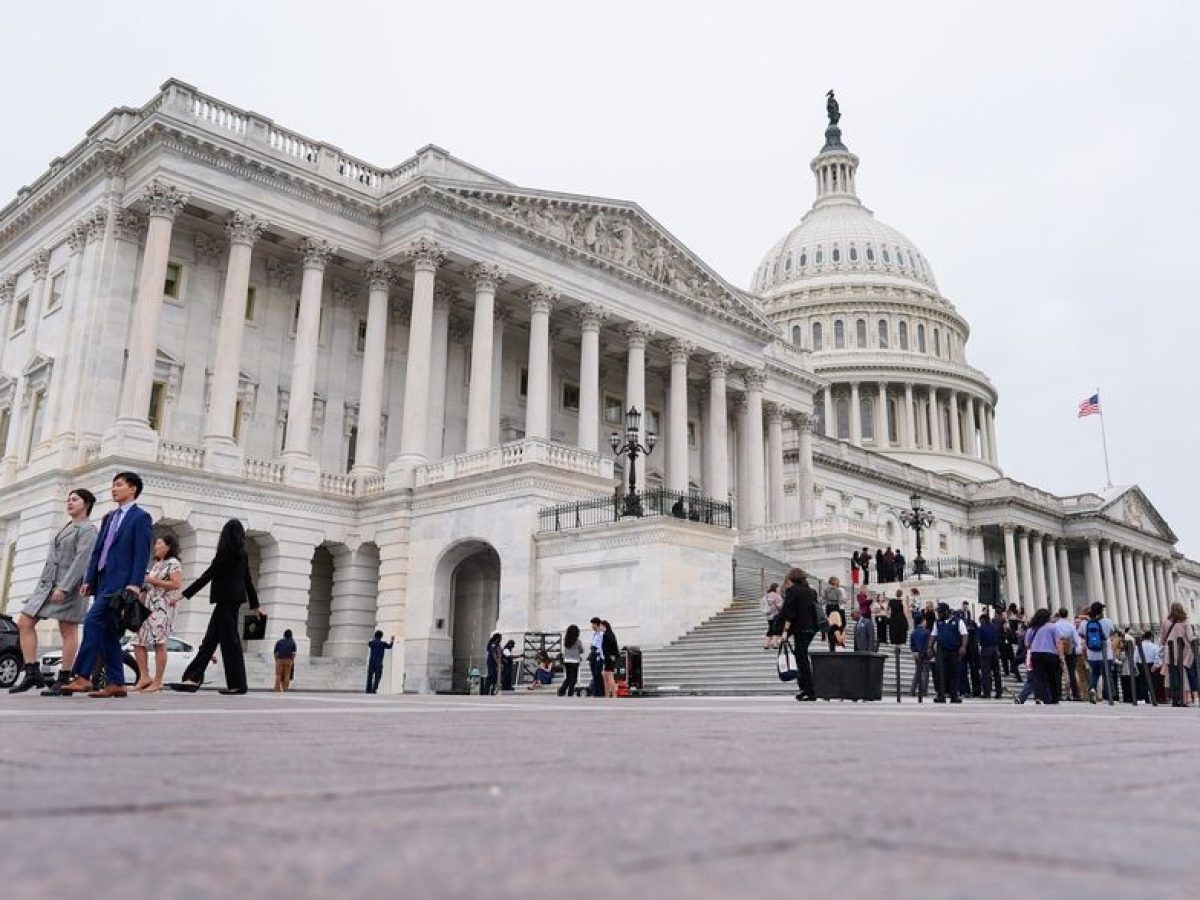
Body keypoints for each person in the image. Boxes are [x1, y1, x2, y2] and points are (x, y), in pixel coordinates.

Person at [61, 472, 154, 698]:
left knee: (92, 621)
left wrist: (135, 584)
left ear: (132, 489)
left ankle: (82, 676)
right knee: (109, 633)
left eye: (119, 485)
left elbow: (142, 553)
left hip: (121, 584)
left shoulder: (141, 517)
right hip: (102, 581)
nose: (114, 489)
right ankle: (116, 682)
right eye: (113, 485)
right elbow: (98, 551)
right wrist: (89, 578)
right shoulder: (109, 517)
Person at [9, 488, 98, 695]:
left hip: (70, 588)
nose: (69, 502)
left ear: (86, 504)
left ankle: (64, 678)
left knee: (67, 630)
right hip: (47, 586)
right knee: (24, 622)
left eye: (74, 500)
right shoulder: (67, 526)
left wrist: (64, 588)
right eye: (68, 499)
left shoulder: (88, 529)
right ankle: (31, 672)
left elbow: (82, 560)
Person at [169, 518, 262, 695]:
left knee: (230, 643)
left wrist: (183, 595)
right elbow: (248, 582)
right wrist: (255, 605)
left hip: (225, 601)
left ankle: (238, 685)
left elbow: (207, 576)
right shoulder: (242, 554)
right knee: (210, 641)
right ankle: (192, 678)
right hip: (232, 601)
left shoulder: (225, 553)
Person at [131, 533, 184, 693]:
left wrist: (152, 581)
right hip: (147, 605)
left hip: (162, 606)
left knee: (159, 642)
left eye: (159, 544)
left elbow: (176, 584)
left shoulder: (173, 563)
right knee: (138, 640)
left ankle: (158, 680)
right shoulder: (156, 565)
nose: (156, 547)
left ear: (168, 546)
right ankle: (144, 677)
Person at [779, 567, 821, 702]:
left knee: (801, 657)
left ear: (791, 579)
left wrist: (784, 631)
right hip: (812, 628)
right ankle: (806, 689)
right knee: (800, 655)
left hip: (801, 628)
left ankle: (809, 690)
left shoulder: (793, 591)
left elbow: (789, 613)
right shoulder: (811, 591)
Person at [1157, 602, 1198, 706]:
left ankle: (1175, 699)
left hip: (1169, 652)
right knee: (1182, 676)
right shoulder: (1185, 622)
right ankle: (1183, 700)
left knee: (1173, 676)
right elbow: (1190, 637)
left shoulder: (1166, 622)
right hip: (1182, 651)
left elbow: (1162, 639)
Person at [1078, 601, 1115, 703]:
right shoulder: (1107, 621)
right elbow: (1112, 632)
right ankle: (1108, 696)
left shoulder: (1085, 623)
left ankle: (1092, 689)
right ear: (1101, 611)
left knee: (1095, 674)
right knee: (1107, 674)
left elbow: (1081, 635)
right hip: (1106, 653)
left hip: (1092, 654)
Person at [932, 602, 967, 704]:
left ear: (946, 612)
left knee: (954, 673)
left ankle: (954, 695)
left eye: (941, 612)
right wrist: (930, 647)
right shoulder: (937, 623)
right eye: (938, 612)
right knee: (940, 673)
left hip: (954, 651)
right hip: (941, 650)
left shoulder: (957, 621)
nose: (939, 614)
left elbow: (964, 634)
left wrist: (963, 647)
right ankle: (941, 695)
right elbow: (933, 635)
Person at [1027, 608, 1061, 704]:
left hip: (1035, 654)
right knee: (1052, 677)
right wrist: (1061, 655)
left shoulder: (1032, 628)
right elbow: (1058, 642)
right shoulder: (1052, 627)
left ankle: (1039, 697)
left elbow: (1027, 643)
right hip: (1050, 654)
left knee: (1039, 677)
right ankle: (1054, 698)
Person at [1052, 608, 1080, 701]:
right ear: (1067, 615)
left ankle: (1058, 694)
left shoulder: (1055, 625)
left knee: (1058, 673)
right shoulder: (1070, 626)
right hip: (1069, 651)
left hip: (1058, 651)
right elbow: (1076, 639)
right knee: (1072, 673)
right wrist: (1077, 648)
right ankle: (1075, 694)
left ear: (1059, 615)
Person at [977, 612, 1003, 698]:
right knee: (996, 672)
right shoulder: (995, 627)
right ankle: (998, 692)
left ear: (983, 620)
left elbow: (979, 640)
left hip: (986, 649)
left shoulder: (981, 628)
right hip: (995, 649)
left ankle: (987, 692)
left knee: (985, 672)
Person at [909, 613, 933, 698]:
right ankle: (924, 691)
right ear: (923, 621)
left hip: (917, 654)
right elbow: (927, 644)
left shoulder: (913, 633)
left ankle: (912, 690)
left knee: (917, 672)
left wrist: (914, 652)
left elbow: (912, 645)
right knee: (925, 673)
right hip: (924, 654)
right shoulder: (926, 632)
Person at [558, 624, 585, 697]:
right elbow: (582, 650)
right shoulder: (577, 641)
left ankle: (562, 690)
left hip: (567, 660)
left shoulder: (566, 640)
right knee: (574, 678)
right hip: (575, 661)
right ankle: (570, 692)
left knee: (568, 677)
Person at [761, 582, 783, 649]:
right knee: (776, 630)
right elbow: (780, 606)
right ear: (776, 588)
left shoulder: (766, 596)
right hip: (776, 615)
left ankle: (766, 644)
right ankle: (774, 644)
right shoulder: (777, 596)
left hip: (769, 616)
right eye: (778, 587)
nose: (779, 589)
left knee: (770, 629)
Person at [601, 621, 619, 698]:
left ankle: (613, 693)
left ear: (604, 626)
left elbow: (611, 646)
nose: (600, 628)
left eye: (601, 626)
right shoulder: (610, 634)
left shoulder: (607, 635)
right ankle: (608, 694)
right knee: (606, 675)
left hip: (608, 657)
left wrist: (612, 655)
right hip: (609, 657)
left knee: (609, 675)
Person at [587, 617, 605, 697]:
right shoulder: (594, 634)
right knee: (595, 675)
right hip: (593, 655)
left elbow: (601, 646)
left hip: (598, 656)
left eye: (593, 624)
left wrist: (600, 656)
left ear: (596, 625)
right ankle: (597, 691)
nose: (592, 626)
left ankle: (599, 692)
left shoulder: (601, 634)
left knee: (597, 675)